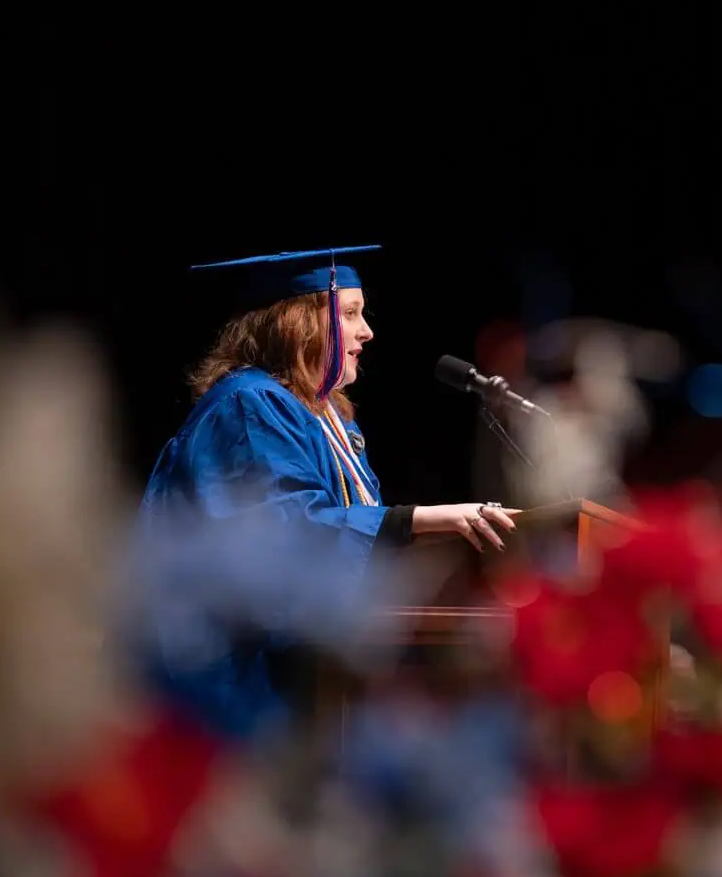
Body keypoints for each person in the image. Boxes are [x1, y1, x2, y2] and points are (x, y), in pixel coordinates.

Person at [136, 245, 519, 734]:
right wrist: (420, 520)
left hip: (308, 674)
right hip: (239, 679)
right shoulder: (249, 406)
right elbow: (282, 534)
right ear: (299, 324)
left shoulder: (324, 420)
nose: (367, 331)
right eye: (350, 313)